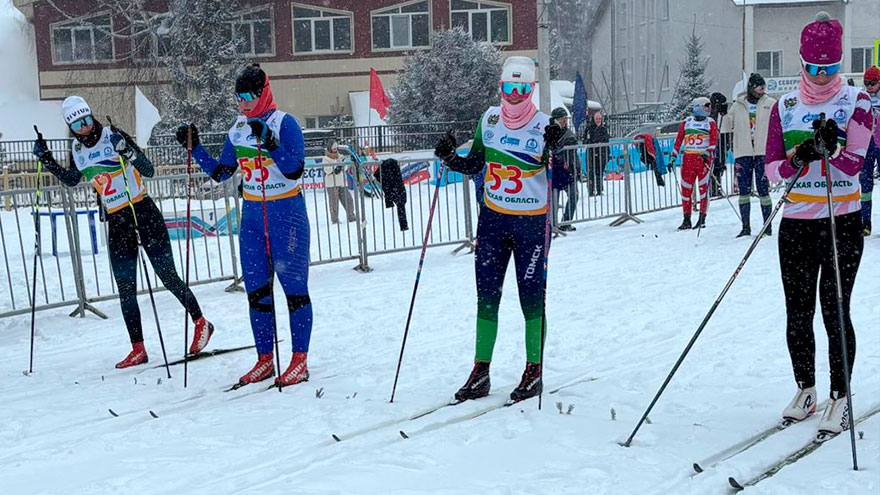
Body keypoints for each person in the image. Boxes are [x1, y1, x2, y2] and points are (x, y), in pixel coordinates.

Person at [32, 96, 213, 369]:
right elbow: (72, 180)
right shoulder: (77, 150)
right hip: (117, 220)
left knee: (167, 276)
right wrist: (46, 159)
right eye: (78, 123)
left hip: (142, 210)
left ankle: (201, 323)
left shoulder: (112, 135)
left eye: (87, 119)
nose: (85, 126)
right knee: (126, 288)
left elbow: (148, 170)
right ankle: (137, 348)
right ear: (71, 126)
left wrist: (128, 152)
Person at [764, 13, 871, 438]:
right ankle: (806, 390)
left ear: (839, 64)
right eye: (813, 67)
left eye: (829, 68)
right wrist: (799, 157)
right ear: (801, 62)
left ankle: (839, 396)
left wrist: (832, 151)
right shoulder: (785, 107)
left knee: (834, 309)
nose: (821, 76)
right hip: (795, 223)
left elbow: (856, 167)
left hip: (840, 221)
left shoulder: (856, 102)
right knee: (797, 312)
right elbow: (772, 170)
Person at [433, 56, 563, 403]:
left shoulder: (544, 125)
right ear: (501, 88)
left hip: (532, 225)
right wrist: (449, 158)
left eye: (522, 89)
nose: (515, 96)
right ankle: (481, 370)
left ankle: (534, 369)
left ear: (532, 89)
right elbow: (476, 162)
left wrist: (556, 145)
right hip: (492, 221)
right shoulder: (489, 119)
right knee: (486, 298)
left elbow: (561, 173)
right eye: (509, 88)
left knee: (531, 298)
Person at [179, 64, 313, 388]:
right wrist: (194, 148)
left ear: (264, 92)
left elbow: (295, 169)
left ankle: (299, 360)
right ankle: (265, 359)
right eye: (238, 97)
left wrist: (270, 142)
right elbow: (222, 172)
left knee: (294, 293)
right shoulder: (237, 128)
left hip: (286, 215)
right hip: (253, 217)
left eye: (249, 97)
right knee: (256, 293)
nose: (243, 103)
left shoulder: (285, 123)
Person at [722, 73, 778, 237]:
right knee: (744, 191)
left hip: (762, 153)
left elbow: (778, 125)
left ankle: (767, 227)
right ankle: (745, 226)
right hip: (743, 152)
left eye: (763, 87)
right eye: (758, 87)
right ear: (751, 88)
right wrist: (722, 113)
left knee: (763, 190)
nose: (761, 91)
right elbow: (726, 126)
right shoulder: (738, 105)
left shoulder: (770, 103)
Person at [672, 96, 719, 230]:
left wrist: (707, 153)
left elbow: (714, 141)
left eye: (709, 106)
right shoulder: (686, 122)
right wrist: (673, 156)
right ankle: (686, 219)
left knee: (703, 190)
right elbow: (679, 140)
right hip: (688, 160)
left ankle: (702, 218)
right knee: (686, 191)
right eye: (706, 106)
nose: (708, 109)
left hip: (703, 160)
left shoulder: (710, 123)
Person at [550, 107, 578, 232]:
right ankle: (552, 224)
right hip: (554, 171)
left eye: (565, 119)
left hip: (567, 172)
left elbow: (572, 154)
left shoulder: (569, 135)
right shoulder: (549, 133)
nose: (564, 122)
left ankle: (566, 221)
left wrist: (572, 166)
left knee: (574, 195)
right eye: (562, 119)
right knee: (553, 198)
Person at [860, 65, 880, 236]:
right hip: (866, 145)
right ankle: (865, 223)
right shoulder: (862, 97)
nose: (869, 86)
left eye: (872, 83)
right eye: (866, 83)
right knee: (865, 185)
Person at [321, 141, 356, 224]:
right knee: (334, 203)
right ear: (329, 149)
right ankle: (335, 220)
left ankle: (351, 216)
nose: (335, 150)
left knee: (348, 199)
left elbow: (346, 168)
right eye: (333, 148)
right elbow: (328, 170)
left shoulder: (340, 156)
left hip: (341, 182)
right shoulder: (326, 158)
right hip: (332, 183)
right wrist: (337, 166)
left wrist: (343, 164)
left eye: (336, 148)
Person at [709, 92, 729, 198]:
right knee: (715, 165)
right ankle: (714, 189)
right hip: (716, 141)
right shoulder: (712, 112)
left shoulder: (714, 112)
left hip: (720, 140)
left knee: (717, 165)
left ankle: (716, 188)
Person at [584, 111, 609, 196]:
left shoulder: (604, 128)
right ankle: (591, 191)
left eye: (600, 119)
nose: (598, 120)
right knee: (591, 172)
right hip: (591, 153)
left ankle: (599, 190)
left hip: (601, 154)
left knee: (600, 172)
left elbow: (606, 140)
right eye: (597, 119)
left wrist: (607, 154)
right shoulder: (589, 128)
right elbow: (585, 141)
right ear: (593, 119)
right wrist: (592, 143)